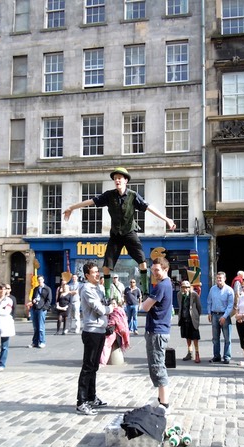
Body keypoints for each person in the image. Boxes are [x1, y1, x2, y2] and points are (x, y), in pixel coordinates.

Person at [63, 167, 176, 298]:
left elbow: (149, 207)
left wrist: (167, 219)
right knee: (106, 266)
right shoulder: (109, 195)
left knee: (143, 261)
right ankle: (107, 294)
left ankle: (145, 289)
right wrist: (71, 207)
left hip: (129, 233)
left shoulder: (133, 196)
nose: (117, 180)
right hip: (115, 235)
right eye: (115, 178)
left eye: (119, 178)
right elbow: (91, 201)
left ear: (126, 180)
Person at [76, 261, 117, 415]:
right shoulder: (86, 288)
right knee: (88, 366)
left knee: (94, 366)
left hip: (100, 330)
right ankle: (81, 401)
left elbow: (105, 302)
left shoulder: (98, 288)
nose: (97, 274)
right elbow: (100, 309)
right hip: (91, 331)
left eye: (97, 271)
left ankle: (91, 397)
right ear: (87, 275)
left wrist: (109, 302)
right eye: (93, 272)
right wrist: (111, 308)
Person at [140, 257, 173, 414]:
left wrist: (142, 301)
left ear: (166, 269)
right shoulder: (166, 284)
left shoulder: (161, 286)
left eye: (157, 270)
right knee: (158, 365)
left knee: (158, 366)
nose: (154, 273)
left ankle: (164, 403)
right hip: (160, 329)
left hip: (157, 331)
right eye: (153, 270)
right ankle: (161, 399)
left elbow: (145, 307)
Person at [207, 271, 234, 364]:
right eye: (217, 278)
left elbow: (230, 305)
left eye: (220, 278)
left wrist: (225, 316)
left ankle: (227, 356)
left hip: (224, 316)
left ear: (224, 279)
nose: (218, 280)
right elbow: (209, 302)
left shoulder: (229, 290)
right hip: (214, 315)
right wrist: (209, 313)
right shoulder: (212, 289)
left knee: (227, 338)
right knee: (215, 338)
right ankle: (216, 356)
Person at [177, 280, 202, 363]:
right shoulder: (179, 295)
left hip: (192, 319)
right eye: (183, 287)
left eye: (186, 287)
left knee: (195, 337)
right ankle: (189, 352)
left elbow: (199, 307)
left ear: (189, 287)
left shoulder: (194, 295)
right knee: (187, 336)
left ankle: (197, 353)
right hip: (184, 318)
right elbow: (180, 306)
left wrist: (196, 316)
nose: (185, 289)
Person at [100, 299, 130, 365]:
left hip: (117, 331)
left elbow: (115, 322)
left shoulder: (118, 311)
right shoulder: (110, 311)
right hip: (114, 330)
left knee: (106, 344)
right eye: (111, 304)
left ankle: (102, 362)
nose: (113, 305)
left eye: (114, 303)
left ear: (117, 304)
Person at [29, 275, 52, 349]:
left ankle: (42, 341)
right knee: (36, 327)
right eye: (38, 280)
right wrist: (33, 301)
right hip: (35, 308)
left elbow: (49, 300)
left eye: (41, 279)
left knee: (41, 327)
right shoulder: (36, 289)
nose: (39, 281)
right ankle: (35, 342)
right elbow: (33, 297)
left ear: (43, 280)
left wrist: (44, 308)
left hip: (41, 309)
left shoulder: (47, 289)